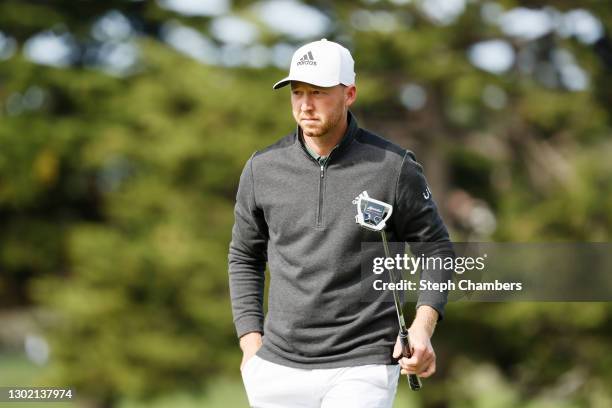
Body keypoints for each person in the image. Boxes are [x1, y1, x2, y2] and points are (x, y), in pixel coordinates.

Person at [228, 38, 452, 408]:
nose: (305, 104)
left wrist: (422, 327)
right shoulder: (261, 169)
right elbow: (244, 257)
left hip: (364, 363)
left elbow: (437, 249)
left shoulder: (393, 167)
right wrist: (251, 346)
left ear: (349, 94)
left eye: (317, 92)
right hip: (277, 366)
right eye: (297, 92)